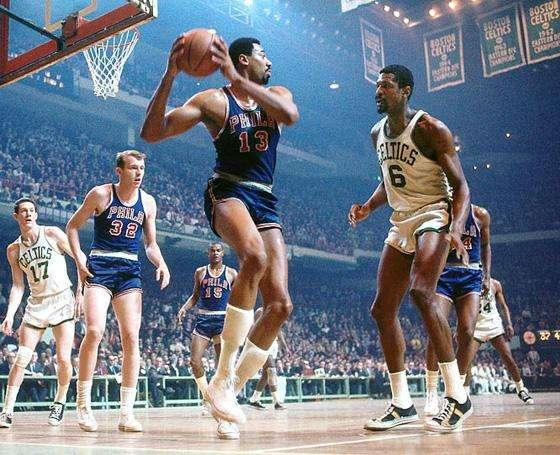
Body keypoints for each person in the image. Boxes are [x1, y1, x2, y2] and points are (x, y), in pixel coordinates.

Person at [141, 34, 299, 429]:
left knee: (280, 305)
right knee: (254, 257)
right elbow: (152, 132)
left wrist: (238, 79)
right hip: (228, 190)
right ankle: (224, 371)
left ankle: (225, 389)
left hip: (265, 198)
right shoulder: (214, 100)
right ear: (243, 59)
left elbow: (290, 115)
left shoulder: (276, 93)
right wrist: (170, 74)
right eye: (263, 55)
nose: (269, 62)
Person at [348, 64, 472, 433]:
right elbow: (390, 180)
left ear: (406, 91)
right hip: (402, 218)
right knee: (382, 309)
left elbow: (461, 187)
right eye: (377, 86)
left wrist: (456, 229)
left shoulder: (430, 128)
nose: (378, 91)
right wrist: (368, 207)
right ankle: (402, 403)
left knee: (421, 292)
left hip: (434, 211)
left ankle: (458, 396)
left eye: (386, 86)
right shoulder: (377, 134)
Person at [66, 150, 170, 432]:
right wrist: (79, 261)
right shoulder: (101, 194)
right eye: (133, 168)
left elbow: (150, 244)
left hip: (129, 269)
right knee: (95, 331)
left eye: (142, 168)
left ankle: (126, 414)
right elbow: (72, 227)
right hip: (100, 265)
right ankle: (83, 405)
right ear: (119, 171)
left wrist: (161, 263)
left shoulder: (148, 202)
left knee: (131, 338)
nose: (139, 173)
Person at [0, 198, 79, 428]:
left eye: (32, 210)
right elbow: (18, 286)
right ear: (16, 216)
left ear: (36, 214)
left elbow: (79, 258)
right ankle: (7, 411)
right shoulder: (13, 250)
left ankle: (59, 402)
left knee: (63, 359)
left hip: (62, 299)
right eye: (24, 211)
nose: (28, 214)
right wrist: (10, 314)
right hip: (36, 305)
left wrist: (81, 290)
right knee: (21, 358)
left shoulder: (52, 233)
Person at [423, 204, 490, 415]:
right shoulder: (441, 212)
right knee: (436, 328)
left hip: (471, 274)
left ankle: (456, 391)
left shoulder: (481, 215)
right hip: (444, 273)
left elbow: (486, 246)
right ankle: (431, 391)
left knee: (467, 332)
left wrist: (487, 275)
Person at [176, 242, 239, 439]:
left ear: (223, 253)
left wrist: (238, 320)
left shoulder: (232, 273)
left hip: (222, 320)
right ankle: (208, 397)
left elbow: (238, 298)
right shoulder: (200, 272)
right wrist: (184, 308)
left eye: (218, 250)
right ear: (208, 253)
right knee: (194, 361)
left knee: (222, 368)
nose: (215, 253)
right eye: (212, 250)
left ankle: (224, 401)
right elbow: (195, 295)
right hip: (203, 319)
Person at [464, 277, 534, 404]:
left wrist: (509, 324)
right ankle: (465, 394)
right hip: (476, 326)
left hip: (494, 324)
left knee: (508, 357)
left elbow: (503, 306)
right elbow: (462, 307)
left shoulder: (495, 284)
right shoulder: (468, 281)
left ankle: (521, 389)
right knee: (467, 360)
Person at [247, 306, 289, 410]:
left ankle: (254, 399)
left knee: (266, 375)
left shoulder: (276, 311)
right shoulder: (260, 311)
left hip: (273, 344)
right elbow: (256, 328)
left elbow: (278, 330)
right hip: (264, 343)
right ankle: (277, 402)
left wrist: (284, 346)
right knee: (271, 370)